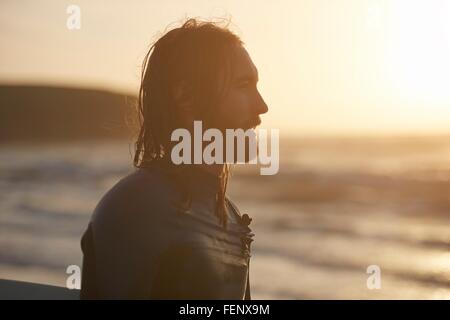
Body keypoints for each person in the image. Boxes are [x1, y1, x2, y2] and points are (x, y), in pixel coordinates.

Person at [80, 18, 268, 299]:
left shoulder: (228, 215)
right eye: (243, 85)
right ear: (186, 96)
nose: (262, 106)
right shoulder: (136, 207)